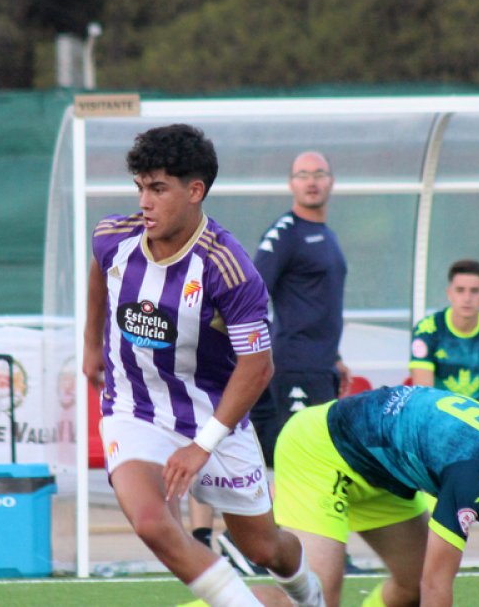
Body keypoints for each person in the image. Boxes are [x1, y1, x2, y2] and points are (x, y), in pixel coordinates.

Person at [83, 124, 323, 607]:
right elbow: (100, 271)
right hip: (133, 410)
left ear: (195, 191)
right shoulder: (114, 237)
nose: (144, 202)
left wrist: (201, 445)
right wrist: (91, 342)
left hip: (215, 421)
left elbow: (258, 366)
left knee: (265, 549)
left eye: (158, 189)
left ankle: (309, 594)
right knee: (152, 522)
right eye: (140, 187)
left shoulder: (228, 268)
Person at [271, 385, 479, 607]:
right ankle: (235, 594)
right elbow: (437, 584)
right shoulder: (473, 476)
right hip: (319, 452)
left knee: (411, 587)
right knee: (315, 599)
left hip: (383, 475)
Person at [205, 150, 351, 575]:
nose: (312, 181)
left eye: (319, 173)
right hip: (294, 367)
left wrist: (335, 356)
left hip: (319, 366)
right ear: (291, 184)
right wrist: (238, 350)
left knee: (294, 457)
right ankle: (306, 550)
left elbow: (317, 305)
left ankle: (254, 541)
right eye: (303, 175)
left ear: (331, 181)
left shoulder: (326, 234)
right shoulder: (285, 233)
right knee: (310, 460)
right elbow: (251, 288)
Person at [409, 259, 479, 423]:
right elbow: (423, 396)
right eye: (460, 290)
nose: (467, 298)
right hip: (442, 421)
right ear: (449, 293)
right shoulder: (427, 329)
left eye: (474, 291)